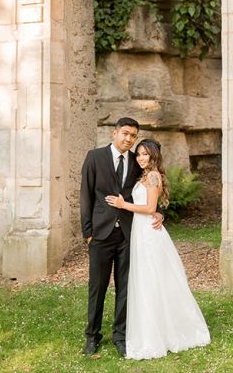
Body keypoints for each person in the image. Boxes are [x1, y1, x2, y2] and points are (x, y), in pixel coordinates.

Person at [105, 139, 211, 359]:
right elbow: (155, 209)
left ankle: (161, 332)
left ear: (154, 156)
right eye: (139, 155)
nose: (141, 158)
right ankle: (151, 328)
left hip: (148, 234)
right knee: (146, 281)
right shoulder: (145, 175)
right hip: (141, 231)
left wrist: (123, 205)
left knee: (152, 280)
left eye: (145, 155)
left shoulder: (152, 176)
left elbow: (151, 208)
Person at [79, 117, 163, 357]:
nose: (129, 139)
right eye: (125, 133)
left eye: (133, 136)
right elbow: (86, 196)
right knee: (98, 287)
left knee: (125, 288)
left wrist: (160, 214)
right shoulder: (94, 157)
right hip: (100, 235)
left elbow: (150, 193)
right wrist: (88, 233)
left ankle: (121, 335)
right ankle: (92, 336)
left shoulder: (138, 163)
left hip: (129, 235)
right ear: (114, 133)